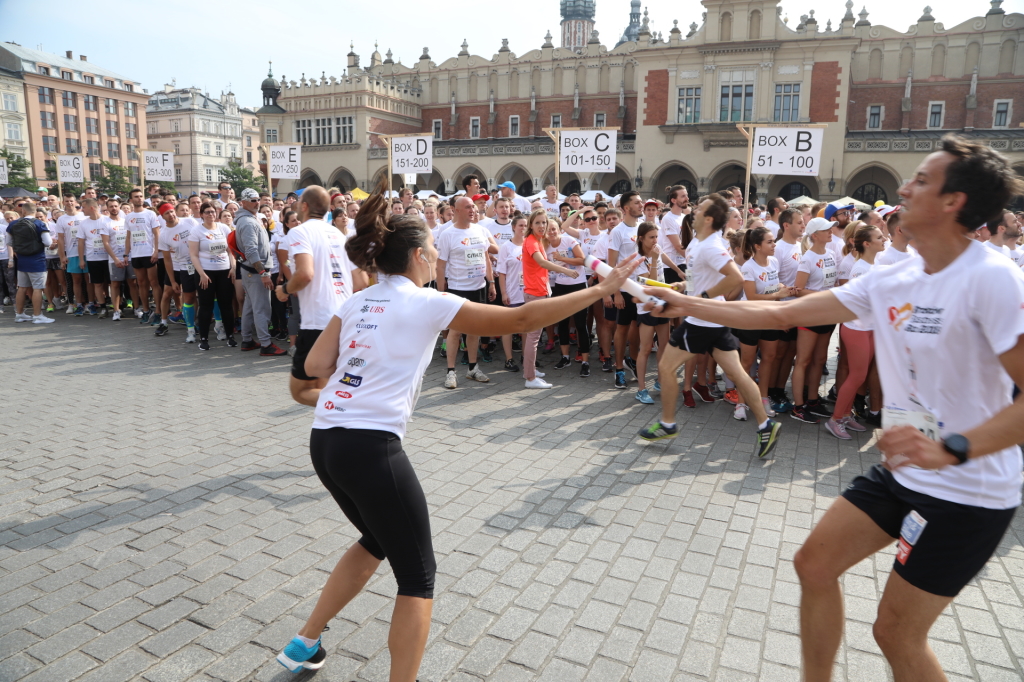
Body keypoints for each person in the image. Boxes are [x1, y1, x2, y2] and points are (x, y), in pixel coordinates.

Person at [641, 135, 1024, 682]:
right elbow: (780, 314)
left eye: (921, 180)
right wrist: (685, 301)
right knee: (814, 565)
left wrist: (952, 448)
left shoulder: (994, 279)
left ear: (952, 202)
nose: (904, 188)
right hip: (905, 471)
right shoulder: (893, 276)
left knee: (896, 634)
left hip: (969, 490)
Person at [275, 180, 637, 678]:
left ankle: (304, 643)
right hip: (370, 448)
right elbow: (521, 319)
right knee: (417, 576)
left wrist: (359, 375)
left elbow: (316, 365)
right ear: (419, 256)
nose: (433, 259)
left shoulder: (357, 301)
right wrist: (598, 289)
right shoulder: (427, 301)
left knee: (376, 540)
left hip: (326, 441)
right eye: (430, 250)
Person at [637, 192, 782, 459]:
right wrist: (681, 286)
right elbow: (698, 280)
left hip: (701, 321)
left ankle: (667, 423)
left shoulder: (711, 246)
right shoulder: (697, 243)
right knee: (738, 374)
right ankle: (766, 425)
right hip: (713, 318)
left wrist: (702, 297)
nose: (694, 210)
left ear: (709, 218)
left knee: (666, 367)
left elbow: (735, 277)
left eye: (700, 208)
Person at [275, 186, 365, 406]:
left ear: (304, 206)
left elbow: (305, 274)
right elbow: (361, 281)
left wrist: (284, 290)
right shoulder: (339, 235)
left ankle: (358, 406)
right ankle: (342, 416)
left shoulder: (299, 232)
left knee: (301, 391)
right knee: (326, 387)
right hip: (343, 320)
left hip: (317, 323)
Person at [435, 196, 496, 388]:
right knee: (455, 331)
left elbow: (486, 258)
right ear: (457, 210)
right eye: (468, 207)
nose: (472, 210)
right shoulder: (448, 234)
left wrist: (491, 282)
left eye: (473, 207)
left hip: (479, 288)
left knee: (474, 330)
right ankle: (451, 372)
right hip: (457, 289)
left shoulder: (480, 230)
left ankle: (472, 368)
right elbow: (440, 265)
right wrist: (441, 293)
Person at [521, 209, 581, 389]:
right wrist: (565, 270)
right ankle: (530, 378)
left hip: (539, 291)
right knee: (533, 337)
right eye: (538, 222)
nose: (542, 226)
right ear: (531, 224)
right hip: (535, 294)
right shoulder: (532, 242)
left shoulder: (537, 240)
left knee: (534, 336)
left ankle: (530, 370)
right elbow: (542, 262)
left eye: (544, 222)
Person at [787, 217, 839, 423]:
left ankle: (813, 400)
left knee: (819, 360)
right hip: (810, 314)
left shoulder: (831, 254)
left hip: (827, 314)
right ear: (815, 235)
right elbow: (798, 290)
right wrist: (824, 295)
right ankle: (798, 407)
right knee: (803, 361)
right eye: (827, 230)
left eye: (831, 229)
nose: (831, 231)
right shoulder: (807, 258)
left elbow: (832, 283)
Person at [737, 226, 792, 419]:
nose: (774, 245)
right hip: (751, 318)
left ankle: (763, 399)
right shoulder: (748, 267)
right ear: (757, 246)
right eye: (769, 242)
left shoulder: (774, 261)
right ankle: (741, 403)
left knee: (769, 358)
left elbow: (774, 286)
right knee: (746, 363)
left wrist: (783, 289)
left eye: (773, 241)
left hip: (770, 318)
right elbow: (752, 296)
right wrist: (778, 294)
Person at [234, 189, 286, 356]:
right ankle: (266, 344)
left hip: (251, 271)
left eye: (258, 199)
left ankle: (247, 340)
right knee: (261, 308)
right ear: (243, 202)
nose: (257, 203)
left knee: (250, 307)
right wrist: (263, 273)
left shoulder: (250, 218)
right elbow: (251, 251)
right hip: (255, 272)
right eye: (253, 200)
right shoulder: (248, 222)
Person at [188, 202, 237, 351]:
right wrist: (202, 273)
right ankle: (204, 339)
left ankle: (230, 336)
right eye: (207, 212)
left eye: (213, 212)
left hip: (224, 271)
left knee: (226, 305)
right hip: (205, 273)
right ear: (202, 214)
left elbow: (230, 250)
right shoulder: (196, 231)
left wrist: (233, 267)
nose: (211, 214)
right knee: (206, 306)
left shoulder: (223, 228)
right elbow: (193, 255)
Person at [607, 191, 643, 389]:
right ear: (626, 208)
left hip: (641, 287)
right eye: (637, 203)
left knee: (637, 328)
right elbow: (611, 265)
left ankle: (634, 361)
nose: (641, 205)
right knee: (622, 328)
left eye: (641, 202)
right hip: (625, 287)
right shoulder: (617, 231)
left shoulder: (642, 226)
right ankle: (619, 369)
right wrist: (616, 292)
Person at [632, 222, 671, 404]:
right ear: (641, 239)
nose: (655, 240)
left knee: (664, 345)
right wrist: (654, 260)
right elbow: (651, 285)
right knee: (646, 349)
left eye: (656, 236)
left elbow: (662, 279)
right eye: (651, 237)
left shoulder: (657, 251)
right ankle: (641, 389)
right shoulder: (638, 259)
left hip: (662, 305)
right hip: (646, 307)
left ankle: (660, 381)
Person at [546, 219, 590, 377]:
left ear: (559, 229)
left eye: (554, 229)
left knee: (580, 324)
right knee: (562, 323)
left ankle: (585, 362)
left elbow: (582, 260)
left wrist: (561, 258)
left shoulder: (569, 240)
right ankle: (565, 357)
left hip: (578, 285)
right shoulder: (545, 246)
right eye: (548, 229)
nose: (551, 232)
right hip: (560, 286)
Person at [5, 201, 54, 323]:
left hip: (22, 260)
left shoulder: (13, 224)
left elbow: (9, 242)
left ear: (23, 211)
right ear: (35, 211)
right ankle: (37, 315)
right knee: (38, 288)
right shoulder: (40, 223)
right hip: (37, 260)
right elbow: (48, 242)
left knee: (22, 288)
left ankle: (19, 314)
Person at [156, 203, 194, 339]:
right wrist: (172, 281)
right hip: (176, 266)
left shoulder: (189, 222)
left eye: (172, 211)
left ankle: (193, 323)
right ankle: (163, 322)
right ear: (162, 216)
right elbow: (167, 260)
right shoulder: (163, 234)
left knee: (191, 296)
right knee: (167, 294)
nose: (171, 215)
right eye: (167, 213)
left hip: (193, 265)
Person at [124, 189, 162, 323]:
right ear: (131, 200)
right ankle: (146, 310)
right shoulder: (128, 216)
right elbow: (128, 237)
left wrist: (156, 251)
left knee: (154, 282)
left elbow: (157, 234)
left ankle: (158, 312)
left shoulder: (150, 213)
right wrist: (126, 254)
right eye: (136, 196)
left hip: (149, 253)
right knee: (141, 283)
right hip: (136, 254)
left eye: (141, 196)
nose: (139, 198)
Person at [496, 214, 527, 372]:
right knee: (509, 327)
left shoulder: (530, 244)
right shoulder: (506, 247)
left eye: (526, 225)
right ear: (513, 227)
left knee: (527, 326)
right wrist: (504, 293)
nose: (523, 228)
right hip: (512, 291)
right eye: (520, 225)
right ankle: (509, 359)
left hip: (528, 292)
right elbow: (502, 273)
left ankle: (526, 357)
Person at [78, 198, 110, 317]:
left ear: (91, 208)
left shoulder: (107, 220)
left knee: (113, 283)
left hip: (109, 258)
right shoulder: (83, 223)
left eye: (83, 207)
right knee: (97, 283)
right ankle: (103, 307)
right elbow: (81, 242)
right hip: (93, 258)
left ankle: (118, 306)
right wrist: (82, 259)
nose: (82, 210)